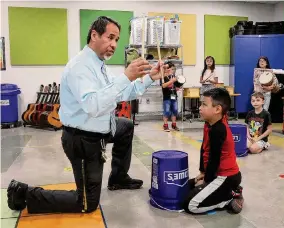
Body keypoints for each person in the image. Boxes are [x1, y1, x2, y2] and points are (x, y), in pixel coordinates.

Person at [7, 16, 166, 214]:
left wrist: (149, 78)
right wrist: (126, 76)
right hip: (83, 140)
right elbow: (93, 105)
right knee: (86, 203)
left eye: (116, 40)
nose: (114, 44)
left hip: (101, 127)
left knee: (125, 126)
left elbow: (121, 93)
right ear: (94, 35)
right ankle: (24, 193)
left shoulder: (99, 65)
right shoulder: (80, 67)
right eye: (110, 37)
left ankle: (118, 177)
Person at [183, 88, 244, 214]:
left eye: (204, 104)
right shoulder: (209, 122)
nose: (200, 107)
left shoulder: (218, 129)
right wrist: (202, 172)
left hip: (226, 177)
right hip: (214, 173)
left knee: (190, 205)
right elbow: (204, 148)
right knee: (184, 187)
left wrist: (206, 180)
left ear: (217, 110)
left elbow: (214, 158)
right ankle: (227, 191)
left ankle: (230, 197)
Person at [160, 62, 182, 132]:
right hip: (167, 97)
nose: (171, 70)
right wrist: (172, 81)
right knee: (167, 111)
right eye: (169, 69)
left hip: (174, 96)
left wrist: (179, 84)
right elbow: (163, 85)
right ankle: (165, 125)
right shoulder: (163, 77)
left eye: (172, 69)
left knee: (175, 110)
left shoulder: (173, 77)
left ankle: (174, 124)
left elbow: (177, 86)